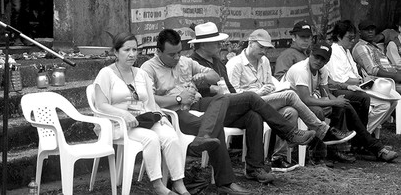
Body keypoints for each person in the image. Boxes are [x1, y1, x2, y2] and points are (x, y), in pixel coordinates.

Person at [141, 26, 318, 195]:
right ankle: (226, 181)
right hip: (175, 113)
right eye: (172, 54)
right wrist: (178, 99)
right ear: (158, 51)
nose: (178, 57)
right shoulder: (148, 68)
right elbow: (149, 100)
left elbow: (214, 76)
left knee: (250, 113)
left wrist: (202, 76)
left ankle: (254, 167)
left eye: (180, 52)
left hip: (200, 105)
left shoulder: (186, 62)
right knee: (240, 104)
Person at [226, 29, 354, 169]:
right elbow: (232, 95)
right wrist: (259, 92)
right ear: (250, 43)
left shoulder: (264, 61)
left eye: (266, 48)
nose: (264, 51)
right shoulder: (235, 64)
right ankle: (323, 131)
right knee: (291, 95)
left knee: (290, 111)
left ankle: (277, 157)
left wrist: (270, 88)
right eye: (261, 47)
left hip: (263, 102)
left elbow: (269, 82)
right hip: (244, 106)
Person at [94, 32, 188, 195]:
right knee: (150, 138)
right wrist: (124, 115)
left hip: (142, 120)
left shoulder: (141, 74)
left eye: (135, 50)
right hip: (118, 124)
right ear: (116, 52)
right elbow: (101, 105)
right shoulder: (106, 74)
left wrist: (162, 117)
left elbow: (151, 104)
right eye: (126, 50)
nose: (131, 54)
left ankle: (179, 184)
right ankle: (158, 186)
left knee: (170, 136)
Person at [284, 44, 398, 163]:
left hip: (307, 101)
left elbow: (326, 93)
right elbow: (305, 99)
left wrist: (337, 101)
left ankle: (336, 149)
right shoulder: (301, 70)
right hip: (293, 102)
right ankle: (370, 146)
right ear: (310, 54)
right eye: (316, 57)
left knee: (343, 105)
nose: (318, 61)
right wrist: (334, 101)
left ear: (327, 61)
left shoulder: (322, 70)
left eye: (323, 59)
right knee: (321, 109)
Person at [326, 20, 395, 134]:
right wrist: (359, 80)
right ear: (339, 36)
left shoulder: (346, 51)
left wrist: (363, 80)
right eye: (350, 38)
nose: (353, 41)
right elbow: (339, 81)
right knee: (384, 105)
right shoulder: (334, 52)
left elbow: (355, 74)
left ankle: (363, 134)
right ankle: (362, 135)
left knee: (393, 100)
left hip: (358, 86)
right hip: (343, 89)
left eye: (354, 38)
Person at [352, 19, 401, 93]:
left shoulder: (375, 46)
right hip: (381, 83)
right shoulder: (361, 47)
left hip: (391, 79)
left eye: (372, 29)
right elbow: (372, 70)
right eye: (366, 29)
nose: (370, 31)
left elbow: (388, 65)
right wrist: (394, 76)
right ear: (360, 32)